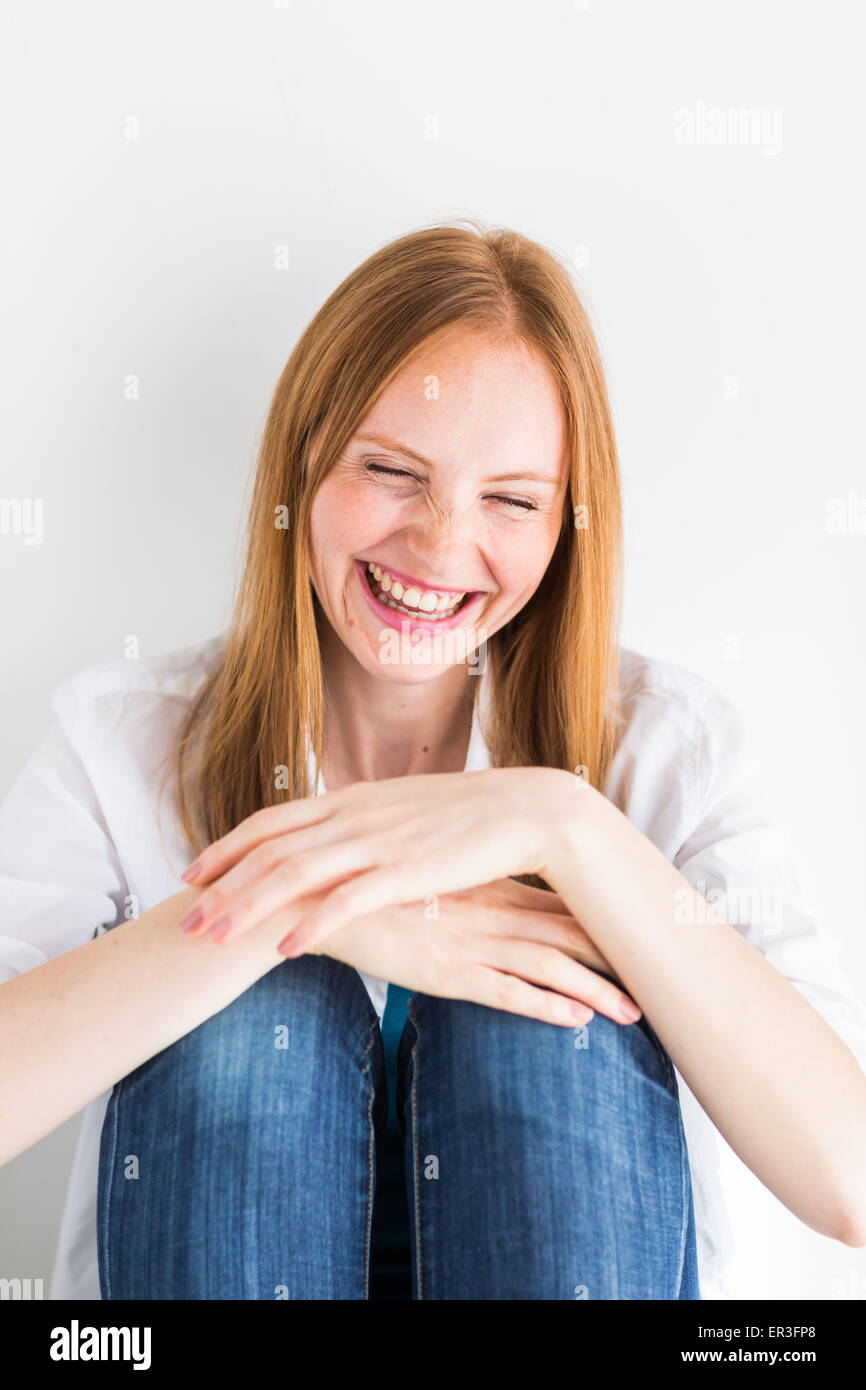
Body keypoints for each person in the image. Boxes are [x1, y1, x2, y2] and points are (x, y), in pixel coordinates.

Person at [2, 220, 866, 1301]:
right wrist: (289, 913)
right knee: (255, 1004)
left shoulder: (662, 746)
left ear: (564, 528)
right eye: (391, 472)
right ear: (303, 461)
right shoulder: (121, 739)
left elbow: (847, 1174)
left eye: (510, 500)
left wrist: (564, 824)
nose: (441, 542)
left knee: (542, 1016)